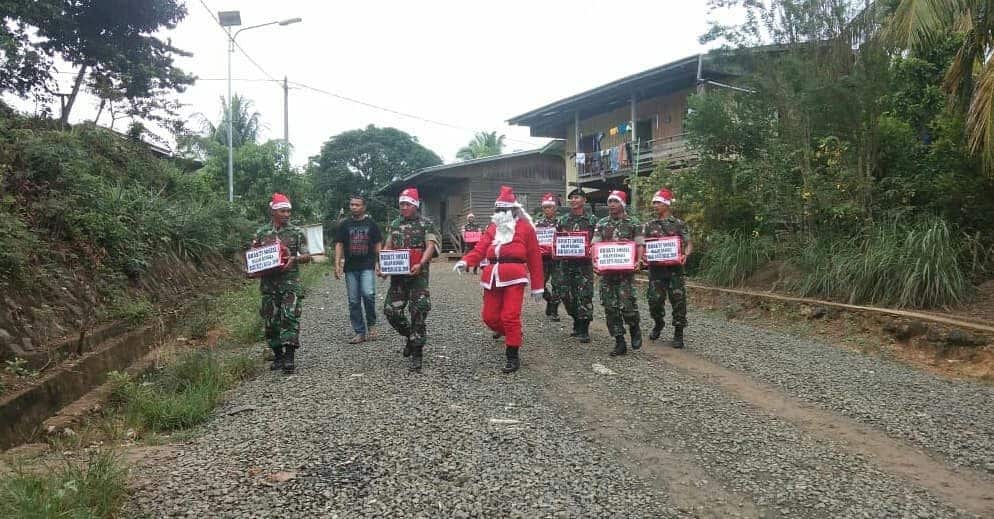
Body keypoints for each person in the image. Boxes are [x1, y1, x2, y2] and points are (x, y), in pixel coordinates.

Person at [455, 186, 544, 373]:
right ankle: (513, 334)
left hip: (515, 276)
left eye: (504, 210)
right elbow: (480, 248)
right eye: (498, 210)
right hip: (492, 276)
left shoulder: (526, 228)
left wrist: (538, 286)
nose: (500, 213)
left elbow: (535, 257)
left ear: (513, 209)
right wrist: (466, 261)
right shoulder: (493, 228)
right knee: (489, 317)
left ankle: (512, 355)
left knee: (510, 316)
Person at [251, 193, 312, 374]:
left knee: (290, 316)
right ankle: (278, 355)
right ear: (273, 211)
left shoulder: (296, 232)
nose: (287, 214)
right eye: (283, 211)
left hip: (290, 282)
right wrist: (252, 269)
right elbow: (253, 255)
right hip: (269, 285)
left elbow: (308, 255)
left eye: (288, 211)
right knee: (271, 320)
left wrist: (293, 259)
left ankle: (289, 357)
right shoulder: (262, 233)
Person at [382, 187, 439, 372]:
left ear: (415, 205)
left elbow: (430, 246)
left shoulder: (426, 224)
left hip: (418, 278)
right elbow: (388, 245)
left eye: (407, 204)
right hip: (398, 279)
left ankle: (417, 352)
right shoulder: (395, 224)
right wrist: (382, 264)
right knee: (391, 311)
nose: (404, 207)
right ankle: (410, 336)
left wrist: (421, 263)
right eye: (401, 204)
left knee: (418, 313)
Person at [592, 190, 644, 356]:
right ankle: (619, 341)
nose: (612, 205)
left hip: (625, 274)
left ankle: (634, 327)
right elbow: (595, 245)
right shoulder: (601, 223)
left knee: (627, 305)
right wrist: (594, 261)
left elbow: (639, 244)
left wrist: (639, 261)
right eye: (610, 202)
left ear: (622, 203)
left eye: (615, 201)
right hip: (607, 274)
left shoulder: (633, 223)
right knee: (610, 307)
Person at [642, 188, 693, 348]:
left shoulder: (678, 224)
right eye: (654, 203)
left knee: (678, 302)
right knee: (654, 301)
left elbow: (689, 242)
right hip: (656, 272)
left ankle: (678, 333)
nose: (655, 205)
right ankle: (658, 322)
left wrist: (686, 254)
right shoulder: (649, 225)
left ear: (666, 204)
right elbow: (643, 245)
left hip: (675, 272)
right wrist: (642, 257)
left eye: (658, 202)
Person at [334, 194, 383, 344]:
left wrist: (380, 262)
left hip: (367, 264)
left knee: (368, 294)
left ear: (364, 207)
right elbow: (339, 244)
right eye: (351, 204)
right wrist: (336, 263)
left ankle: (372, 324)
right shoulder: (345, 224)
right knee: (354, 300)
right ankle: (359, 332)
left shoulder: (371, 224)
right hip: (351, 267)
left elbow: (377, 244)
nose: (353, 207)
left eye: (357, 205)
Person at [555, 188, 599, 343]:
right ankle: (576, 319)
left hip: (584, 265)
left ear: (584, 201)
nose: (573, 200)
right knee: (565, 295)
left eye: (577, 197)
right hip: (566, 264)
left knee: (584, 296)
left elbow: (597, 241)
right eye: (571, 198)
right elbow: (556, 239)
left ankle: (584, 328)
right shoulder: (563, 220)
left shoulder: (592, 220)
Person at [535, 193, 562, 322]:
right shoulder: (538, 224)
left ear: (555, 208)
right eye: (545, 207)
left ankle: (555, 310)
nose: (547, 210)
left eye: (550, 207)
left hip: (557, 259)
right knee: (540, 284)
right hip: (542, 259)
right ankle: (549, 300)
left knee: (558, 284)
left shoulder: (562, 223)